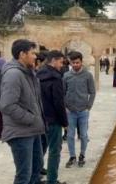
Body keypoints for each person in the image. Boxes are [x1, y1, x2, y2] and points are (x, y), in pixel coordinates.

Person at [0, 39, 46, 184]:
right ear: (22, 54)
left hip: (32, 130)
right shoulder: (13, 74)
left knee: (36, 167)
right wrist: (31, 119)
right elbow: (7, 105)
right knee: (24, 175)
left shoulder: (28, 73)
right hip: (21, 132)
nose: (35, 57)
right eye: (33, 53)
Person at [36, 50, 68, 184]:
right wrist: (65, 122)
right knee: (55, 150)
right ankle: (52, 180)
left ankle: (36, 176)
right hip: (53, 120)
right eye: (60, 62)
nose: (61, 65)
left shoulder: (37, 75)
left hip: (39, 118)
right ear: (53, 60)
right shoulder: (55, 77)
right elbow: (58, 101)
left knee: (41, 148)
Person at [63, 51, 96, 168]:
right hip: (70, 111)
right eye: (73, 63)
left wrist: (88, 107)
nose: (75, 65)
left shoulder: (88, 75)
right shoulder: (66, 76)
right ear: (70, 63)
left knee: (83, 135)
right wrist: (65, 107)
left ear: (81, 62)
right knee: (70, 135)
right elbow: (62, 93)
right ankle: (72, 156)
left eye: (77, 62)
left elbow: (92, 92)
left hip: (83, 111)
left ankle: (82, 155)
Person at [35, 52, 48, 176]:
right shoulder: (33, 75)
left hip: (43, 116)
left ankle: (39, 167)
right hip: (36, 117)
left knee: (43, 144)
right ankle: (37, 169)